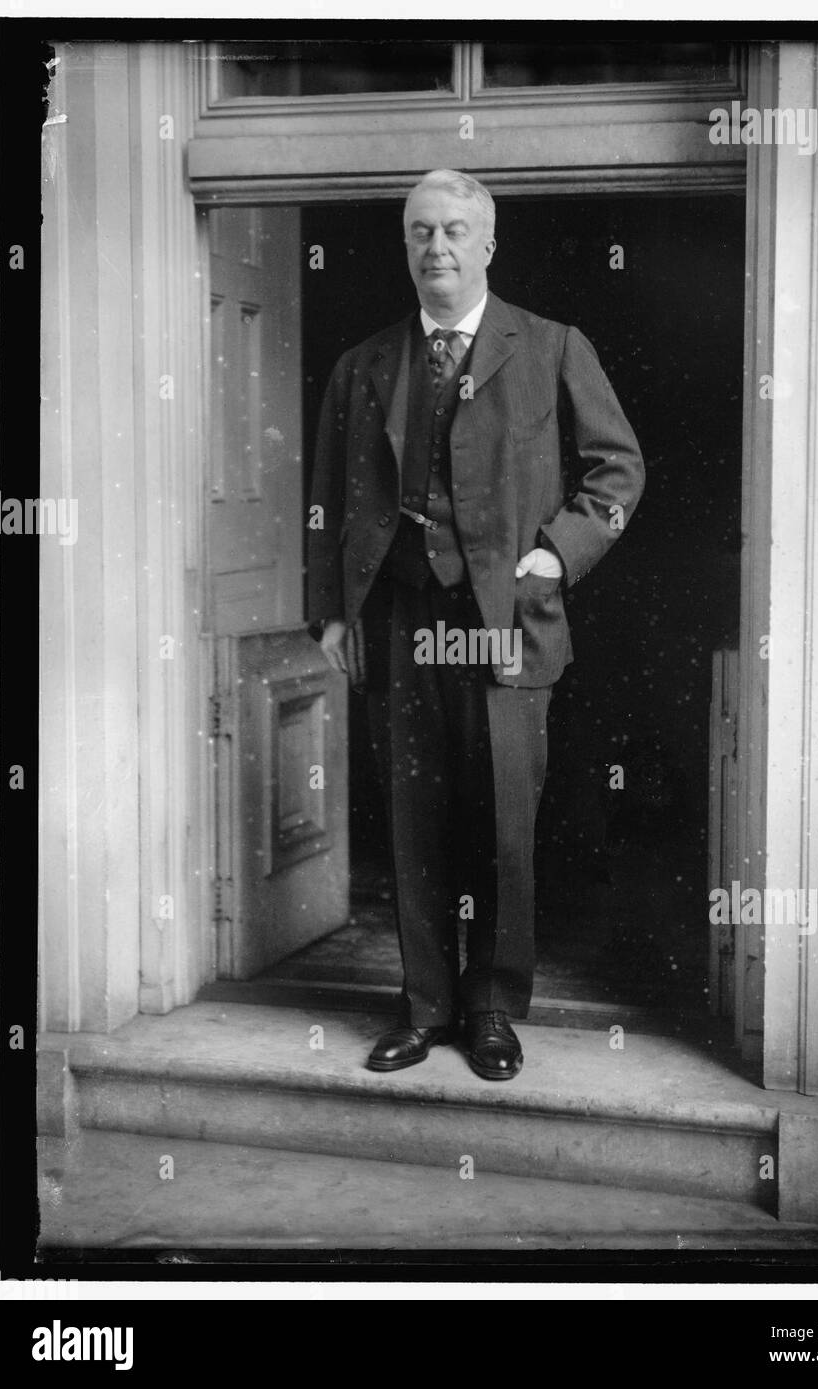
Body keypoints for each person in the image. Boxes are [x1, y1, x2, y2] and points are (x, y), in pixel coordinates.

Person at [308, 169, 644, 1081]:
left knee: (501, 822)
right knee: (414, 820)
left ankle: (492, 1009)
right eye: (421, 232)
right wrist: (330, 614)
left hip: (508, 623)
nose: (437, 248)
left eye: (455, 231)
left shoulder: (549, 346)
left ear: (488, 245)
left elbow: (618, 471)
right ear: (406, 245)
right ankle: (423, 1008)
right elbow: (326, 499)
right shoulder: (366, 364)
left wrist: (557, 554)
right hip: (399, 620)